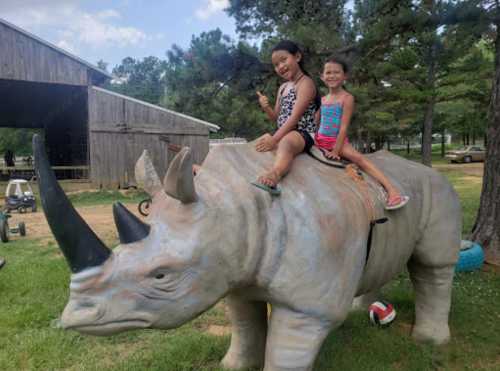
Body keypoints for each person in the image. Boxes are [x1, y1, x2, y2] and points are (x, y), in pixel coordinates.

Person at [315, 56, 409, 210]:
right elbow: (315, 123)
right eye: (328, 72)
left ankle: (392, 190)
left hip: (337, 141)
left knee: (360, 159)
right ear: (322, 76)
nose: (332, 76)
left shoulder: (347, 98)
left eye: (336, 72)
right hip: (320, 139)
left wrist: (336, 150)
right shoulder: (323, 99)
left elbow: (343, 127)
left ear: (345, 76)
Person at [253, 40, 320, 195]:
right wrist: (266, 107)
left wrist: (275, 139)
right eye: (276, 65)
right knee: (261, 141)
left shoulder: (306, 84)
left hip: (302, 132)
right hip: (284, 130)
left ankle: (275, 174)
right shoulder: (283, 88)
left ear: (297, 57)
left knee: (287, 143)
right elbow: (277, 118)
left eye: (283, 60)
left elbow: (295, 118)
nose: (280, 67)